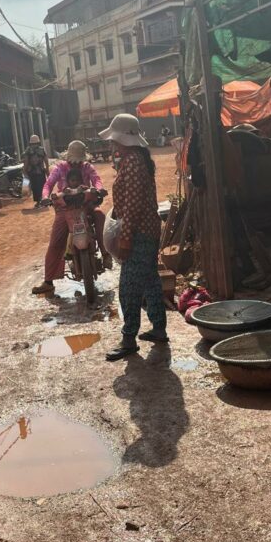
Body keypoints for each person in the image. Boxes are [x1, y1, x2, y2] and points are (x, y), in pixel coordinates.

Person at [99, 113, 166, 361]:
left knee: (128, 287)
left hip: (139, 233)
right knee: (150, 282)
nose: (112, 144)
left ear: (123, 139)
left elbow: (133, 206)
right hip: (146, 231)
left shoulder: (134, 162)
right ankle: (159, 329)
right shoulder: (135, 160)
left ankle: (128, 339)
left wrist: (125, 239)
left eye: (114, 140)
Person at [31, 140, 110, 294]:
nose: (75, 165)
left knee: (100, 215)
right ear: (68, 158)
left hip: (86, 205)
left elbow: (97, 180)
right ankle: (48, 281)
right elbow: (48, 184)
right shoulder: (59, 168)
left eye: (78, 162)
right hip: (64, 208)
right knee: (56, 241)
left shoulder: (87, 167)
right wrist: (45, 196)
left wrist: (99, 189)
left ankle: (105, 253)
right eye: (73, 162)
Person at [22, 134, 49, 207]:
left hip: (32, 172)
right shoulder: (42, 149)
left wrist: (24, 170)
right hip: (41, 171)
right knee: (42, 185)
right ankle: (43, 200)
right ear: (38, 142)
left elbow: (26, 162)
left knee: (35, 187)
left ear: (30, 143)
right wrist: (47, 170)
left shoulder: (28, 150)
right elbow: (46, 160)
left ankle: (38, 201)